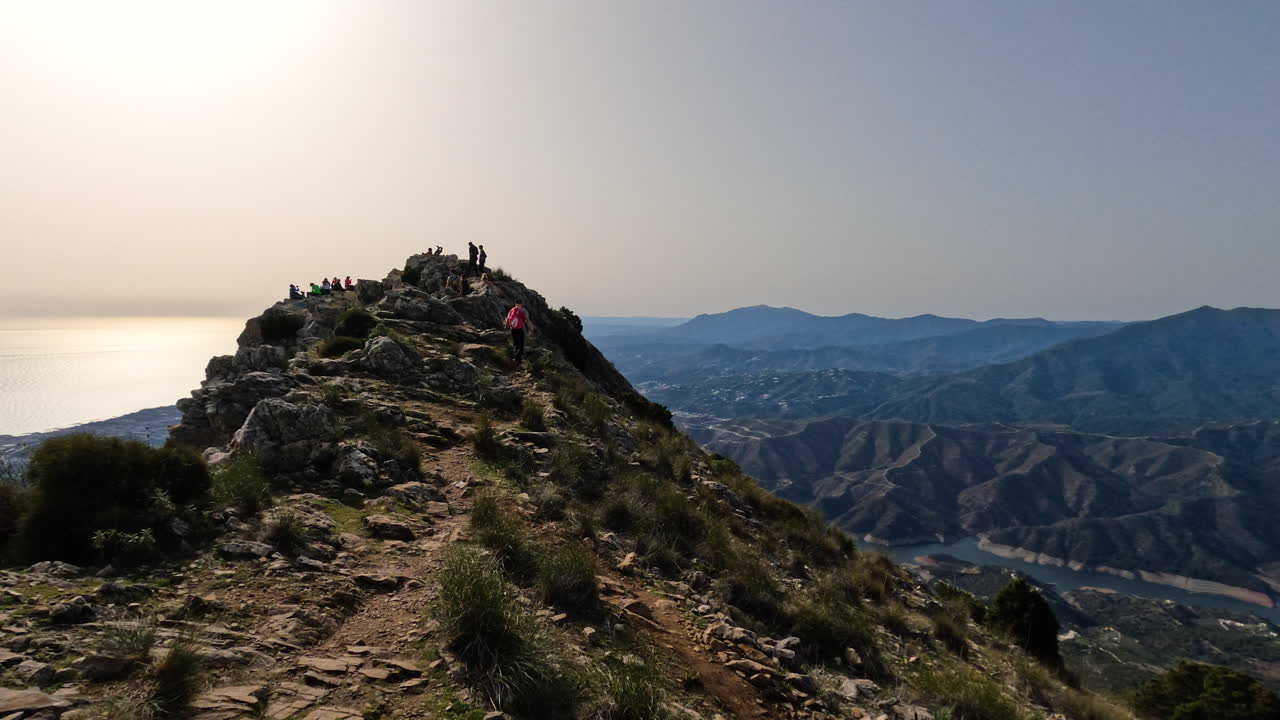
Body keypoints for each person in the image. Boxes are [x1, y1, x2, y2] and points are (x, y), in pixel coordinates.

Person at [504, 301, 532, 366]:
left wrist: (506, 326)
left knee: (516, 344)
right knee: (521, 346)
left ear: (515, 304)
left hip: (512, 329)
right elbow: (527, 321)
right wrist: (530, 329)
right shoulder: (524, 311)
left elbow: (508, 319)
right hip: (521, 330)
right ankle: (517, 359)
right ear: (521, 304)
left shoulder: (512, 310)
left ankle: (518, 360)